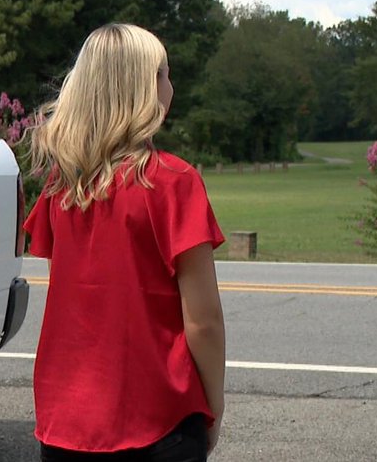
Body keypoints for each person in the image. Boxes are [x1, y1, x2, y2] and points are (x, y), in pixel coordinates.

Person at [23, 24, 226, 462]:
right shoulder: (174, 181)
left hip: (66, 421)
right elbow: (203, 320)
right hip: (159, 419)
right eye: (164, 73)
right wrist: (214, 405)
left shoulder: (62, 186)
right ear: (142, 89)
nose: (172, 86)